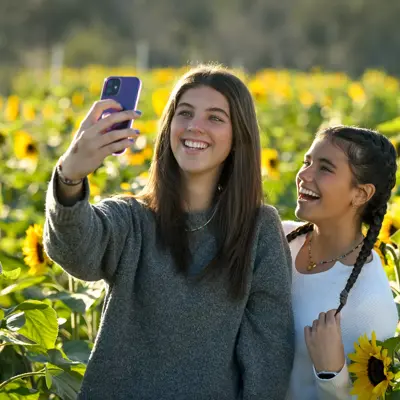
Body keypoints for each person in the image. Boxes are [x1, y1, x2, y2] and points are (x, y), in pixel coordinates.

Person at [43, 64, 295, 400]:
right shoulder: (132, 219)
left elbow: (268, 356)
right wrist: (69, 175)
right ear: (168, 126)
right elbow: (75, 252)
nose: (194, 127)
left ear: (239, 137)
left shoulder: (258, 228)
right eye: (185, 113)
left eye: (215, 118)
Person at [283, 125, 398, 399]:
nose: (304, 175)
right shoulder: (277, 238)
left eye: (325, 168)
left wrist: (331, 374)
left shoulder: (370, 301)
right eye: (307, 162)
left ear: (360, 194)